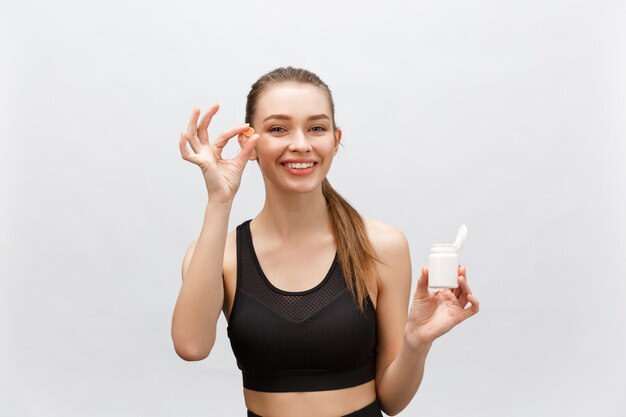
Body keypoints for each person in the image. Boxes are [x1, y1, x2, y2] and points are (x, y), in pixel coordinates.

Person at [171, 66, 479, 417]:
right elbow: (191, 346)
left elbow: (392, 401)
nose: (300, 144)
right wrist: (220, 200)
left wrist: (416, 341)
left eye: (316, 128)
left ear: (335, 140)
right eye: (277, 129)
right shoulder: (218, 255)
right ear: (249, 143)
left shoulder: (381, 246)